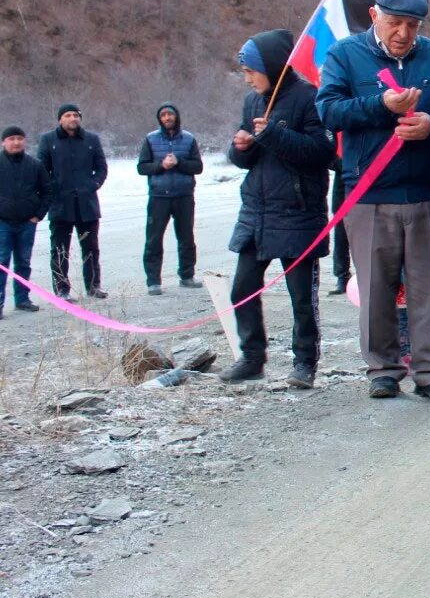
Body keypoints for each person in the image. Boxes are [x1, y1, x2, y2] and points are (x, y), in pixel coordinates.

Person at [317, 0, 430, 402]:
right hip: (369, 194)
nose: (403, 33)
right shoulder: (345, 55)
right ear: (374, 16)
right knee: (376, 289)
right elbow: (328, 111)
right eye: (394, 22)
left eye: (412, 25)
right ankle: (383, 370)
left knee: (428, 287)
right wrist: (380, 106)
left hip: (425, 192)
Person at [219, 30, 335, 389]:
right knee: (242, 289)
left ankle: (304, 363)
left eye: (251, 69)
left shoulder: (309, 99)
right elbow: (245, 157)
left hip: (298, 212)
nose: (247, 77)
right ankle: (252, 358)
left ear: (271, 66)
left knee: (301, 297)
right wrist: (241, 148)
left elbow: (322, 153)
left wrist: (271, 135)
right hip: (257, 212)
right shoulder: (253, 102)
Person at [0, 127, 52, 319]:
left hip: (26, 223)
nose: (16, 142)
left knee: (23, 262)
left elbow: (47, 191)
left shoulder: (34, 165)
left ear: (24, 141)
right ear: (3, 142)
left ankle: (22, 299)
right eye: (11, 138)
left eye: (19, 138)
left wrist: (37, 216)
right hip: (1, 224)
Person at [40, 103, 108, 300]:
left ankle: (93, 286)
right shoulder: (48, 140)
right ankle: (62, 290)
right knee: (60, 250)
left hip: (87, 204)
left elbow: (102, 168)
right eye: (68, 115)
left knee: (91, 248)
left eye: (76, 115)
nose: (73, 119)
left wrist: (93, 184)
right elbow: (42, 170)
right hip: (61, 204)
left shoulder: (91, 140)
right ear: (60, 119)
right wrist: (54, 188)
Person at [136, 104, 204, 295]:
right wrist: (161, 165)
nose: (167, 118)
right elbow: (142, 167)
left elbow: (198, 167)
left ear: (176, 116)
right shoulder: (150, 139)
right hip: (159, 196)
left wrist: (179, 163)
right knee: (154, 239)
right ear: (159, 119)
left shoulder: (189, 139)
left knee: (186, 237)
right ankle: (153, 281)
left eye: (170, 114)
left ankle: (187, 275)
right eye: (163, 115)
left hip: (184, 196)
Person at [327, 156, 351, 296]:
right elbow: (326, 154)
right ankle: (342, 276)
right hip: (343, 180)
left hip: (370, 179)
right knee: (341, 232)